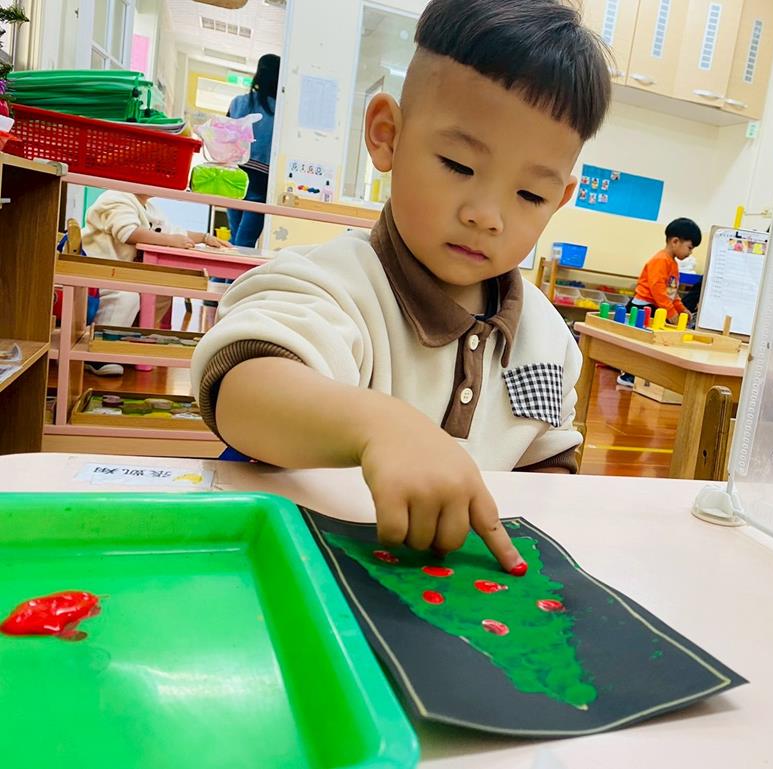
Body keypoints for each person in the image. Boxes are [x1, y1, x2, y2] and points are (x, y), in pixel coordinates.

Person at [191, 0, 610, 572]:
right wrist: (377, 426)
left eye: (530, 195)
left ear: (559, 200)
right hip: (308, 569)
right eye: (459, 165)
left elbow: (546, 465)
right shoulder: (334, 284)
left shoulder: (549, 338)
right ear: (387, 135)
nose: (487, 215)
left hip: (449, 595)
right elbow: (241, 390)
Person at [81, 190, 224, 376]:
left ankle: (128, 342)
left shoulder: (149, 208)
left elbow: (174, 231)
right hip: (100, 273)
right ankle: (100, 355)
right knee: (126, 297)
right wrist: (169, 240)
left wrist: (204, 238)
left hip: (123, 275)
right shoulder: (116, 197)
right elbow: (127, 232)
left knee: (161, 291)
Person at [617, 218, 702, 388]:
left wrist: (682, 309)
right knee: (642, 344)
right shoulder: (661, 260)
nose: (690, 253)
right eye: (690, 247)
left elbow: (672, 293)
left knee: (654, 344)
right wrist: (671, 313)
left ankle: (643, 376)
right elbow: (658, 291)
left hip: (657, 307)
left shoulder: (673, 264)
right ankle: (629, 376)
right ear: (675, 241)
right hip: (643, 308)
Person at [226, 53, 279, 247]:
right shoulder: (281, 110)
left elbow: (223, 136)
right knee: (244, 242)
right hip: (262, 180)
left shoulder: (238, 102)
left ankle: (223, 268)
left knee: (234, 239)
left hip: (234, 175)